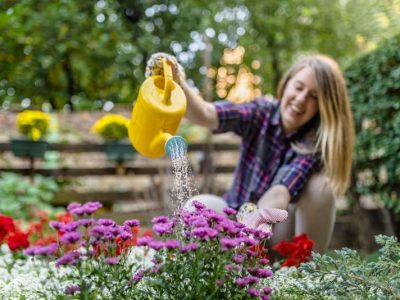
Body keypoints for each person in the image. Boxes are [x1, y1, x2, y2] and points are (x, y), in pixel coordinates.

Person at [145, 53, 354, 253]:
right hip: (235, 213)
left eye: (314, 97)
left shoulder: (314, 143)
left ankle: (304, 274)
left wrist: (248, 236)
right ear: (286, 83)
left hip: (276, 231)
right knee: (197, 207)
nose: (300, 99)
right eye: (298, 87)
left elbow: (279, 193)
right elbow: (206, 114)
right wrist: (176, 82)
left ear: (323, 106)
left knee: (321, 188)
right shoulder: (261, 112)